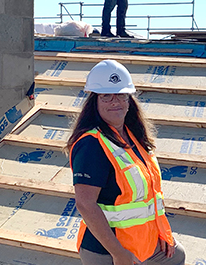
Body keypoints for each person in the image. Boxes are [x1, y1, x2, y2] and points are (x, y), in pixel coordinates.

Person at [65, 60, 186, 265]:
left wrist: (163, 232)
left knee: (178, 256)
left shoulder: (133, 137)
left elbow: (151, 196)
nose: (115, 101)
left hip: (144, 242)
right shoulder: (91, 145)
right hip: (108, 250)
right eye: (106, 96)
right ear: (94, 102)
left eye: (121, 95)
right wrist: (119, 253)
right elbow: (85, 204)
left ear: (129, 100)